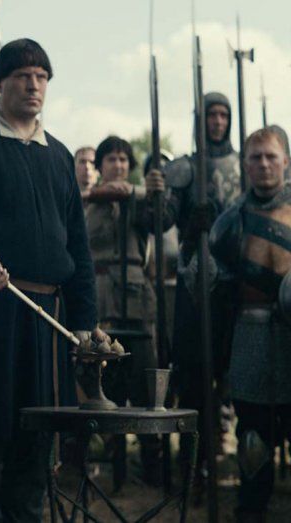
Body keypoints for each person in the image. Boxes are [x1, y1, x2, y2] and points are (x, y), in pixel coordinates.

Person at [0, 38, 101, 521]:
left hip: (49, 321)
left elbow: (77, 246)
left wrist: (84, 321)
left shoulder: (60, 155)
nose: (34, 85)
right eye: (23, 76)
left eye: (42, 77)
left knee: (37, 441)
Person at [210, 127, 291, 522]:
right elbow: (211, 286)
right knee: (253, 439)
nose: (263, 164)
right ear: (244, 164)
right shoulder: (231, 222)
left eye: (270, 156)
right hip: (249, 334)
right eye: (255, 157)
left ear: (285, 161)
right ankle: (252, 510)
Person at [160, 92, 241, 477]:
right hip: (194, 281)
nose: (218, 122)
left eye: (224, 115)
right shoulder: (185, 167)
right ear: (201, 120)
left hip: (235, 281)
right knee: (192, 373)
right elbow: (161, 220)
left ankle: (221, 449)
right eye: (212, 115)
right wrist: (159, 194)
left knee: (229, 370)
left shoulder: (244, 165)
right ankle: (191, 460)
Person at [84, 136, 168, 484]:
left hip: (136, 297)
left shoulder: (140, 200)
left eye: (123, 160)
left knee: (145, 379)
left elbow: (160, 221)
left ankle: (152, 461)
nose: (118, 165)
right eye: (111, 159)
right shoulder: (87, 201)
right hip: (102, 295)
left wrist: (151, 192)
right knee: (107, 379)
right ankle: (111, 458)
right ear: (100, 165)